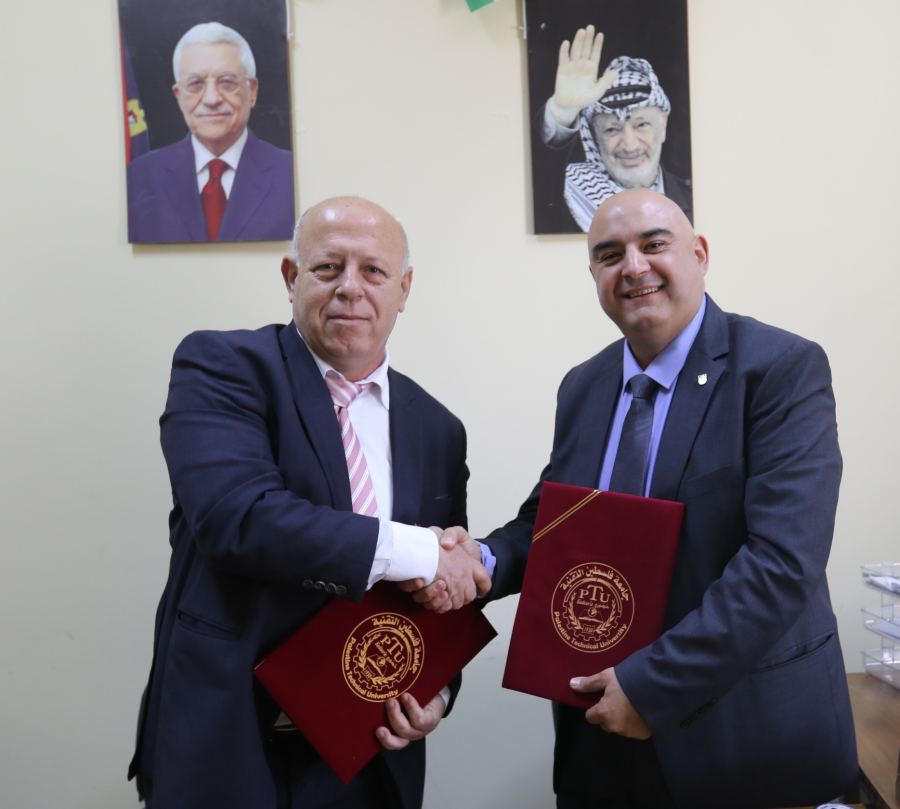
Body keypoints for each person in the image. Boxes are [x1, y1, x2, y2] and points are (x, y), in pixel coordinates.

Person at [420, 190, 857, 807]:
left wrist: (652, 686)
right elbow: (556, 519)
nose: (633, 266)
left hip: (746, 738)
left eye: (654, 244)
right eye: (609, 255)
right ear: (594, 276)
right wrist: (481, 561)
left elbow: (782, 563)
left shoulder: (781, 369)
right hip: (601, 741)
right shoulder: (584, 385)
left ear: (699, 255)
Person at [127, 196, 490, 808]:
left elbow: (439, 596)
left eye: (373, 270)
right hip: (228, 742)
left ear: (403, 289)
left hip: (366, 754)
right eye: (328, 267)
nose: (350, 287)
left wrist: (438, 692)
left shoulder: (438, 427)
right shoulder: (223, 367)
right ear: (291, 277)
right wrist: (424, 550)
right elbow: (239, 519)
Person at [126, 21, 295, 243]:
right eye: (196, 84)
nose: (212, 99)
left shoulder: (290, 174)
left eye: (227, 82)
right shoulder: (141, 176)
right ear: (179, 96)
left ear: (252, 91)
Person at [541, 26, 692, 231]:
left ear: (663, 126)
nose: (629, 145)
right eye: (612, 129)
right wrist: (563, 111)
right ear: (595, 137)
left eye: (641, 125)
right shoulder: (574, 197)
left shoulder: (693, 198)